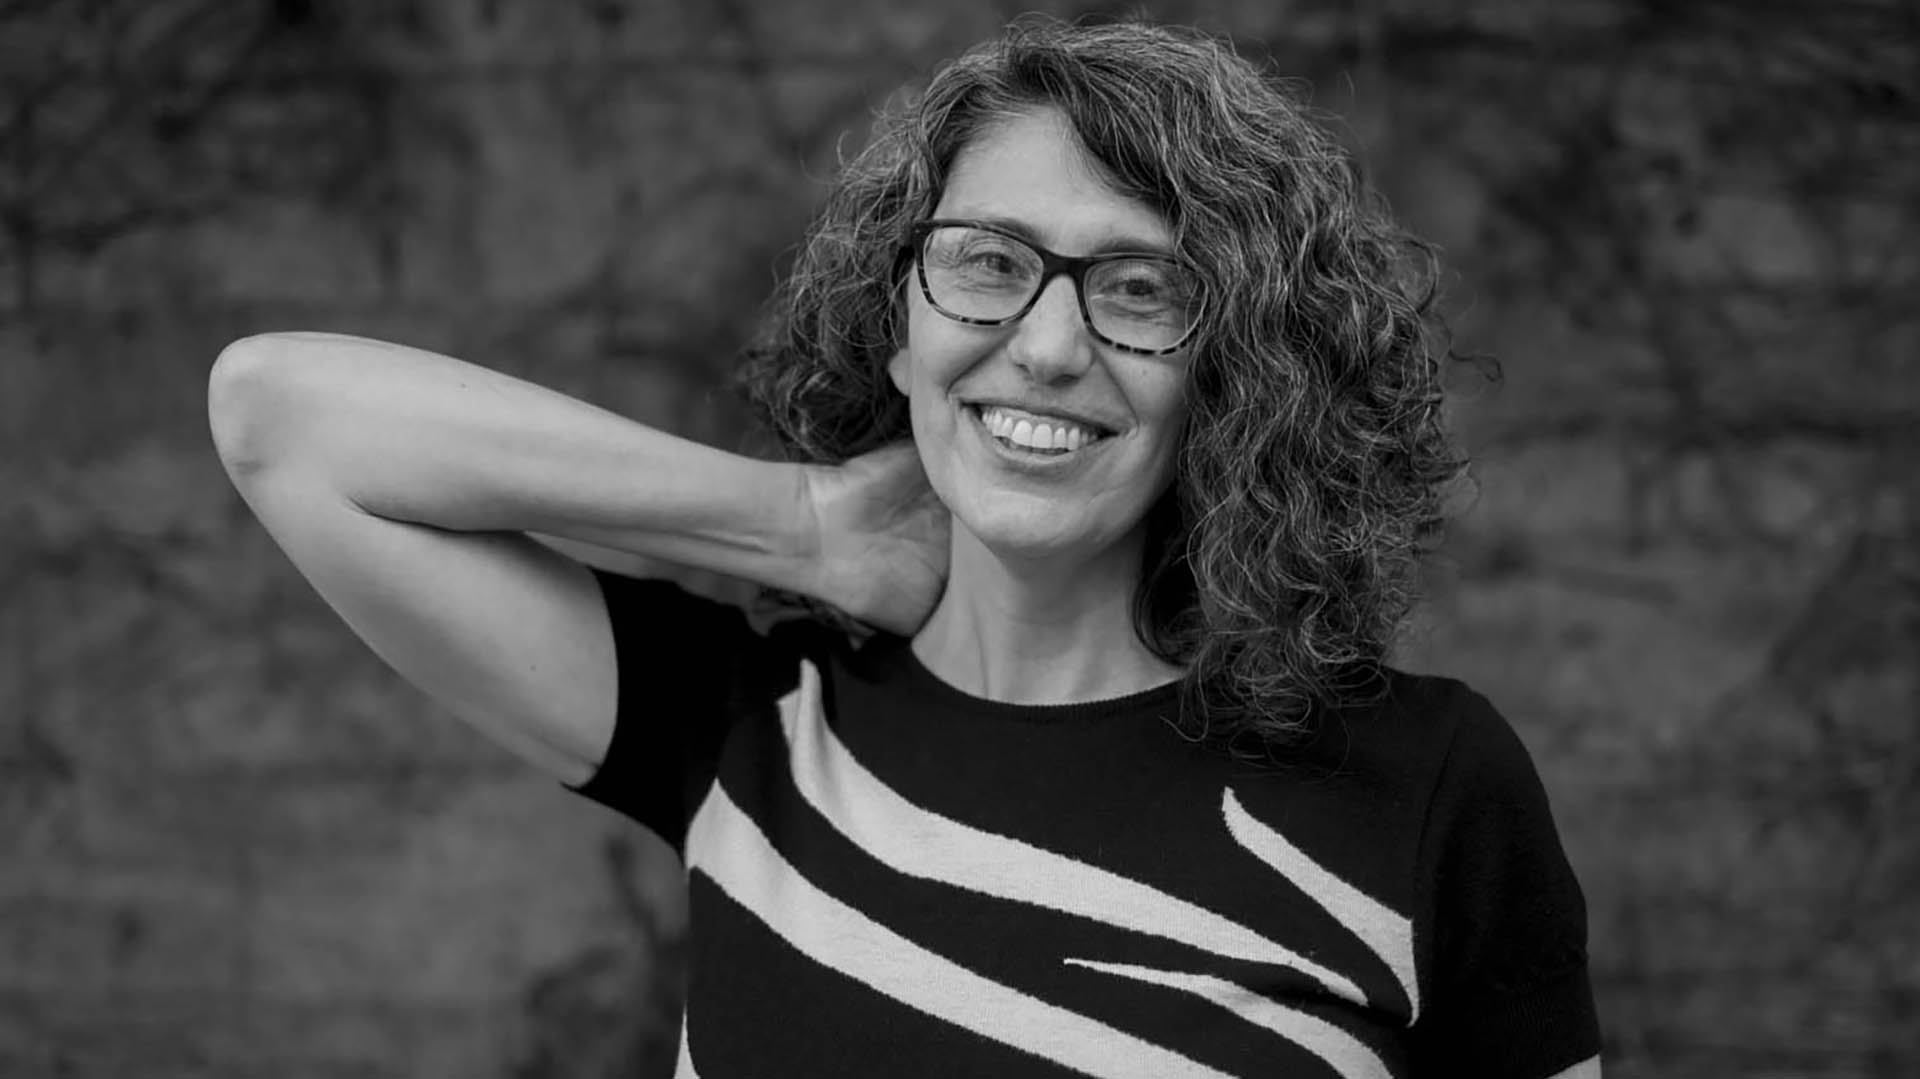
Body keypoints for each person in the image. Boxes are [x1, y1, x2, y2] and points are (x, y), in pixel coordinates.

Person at [208, 17, 1601, 1079]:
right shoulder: (752, 730)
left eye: (1138, 289)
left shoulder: (1424, 784)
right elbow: (279, 418)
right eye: (989, 263)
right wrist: (801, 526)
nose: (1046, 347)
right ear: (900, 321)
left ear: (1232, 372)